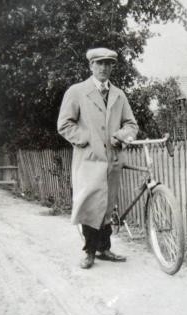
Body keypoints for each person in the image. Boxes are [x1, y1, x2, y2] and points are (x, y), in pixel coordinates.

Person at [57, 47, 139, 269]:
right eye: (99, 63)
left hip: (112, 160)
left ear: (112, 66)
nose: (104, 68)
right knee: (90, 205)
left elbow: (131, 124)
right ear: (91, 66)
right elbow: (64, 124)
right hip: (89, 160)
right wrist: (86, 138)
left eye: (108, 64)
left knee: (106, 206)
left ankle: (104, 249)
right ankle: (89, 252)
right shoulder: (77, 91)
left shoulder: (119, 95)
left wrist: (121, 136)